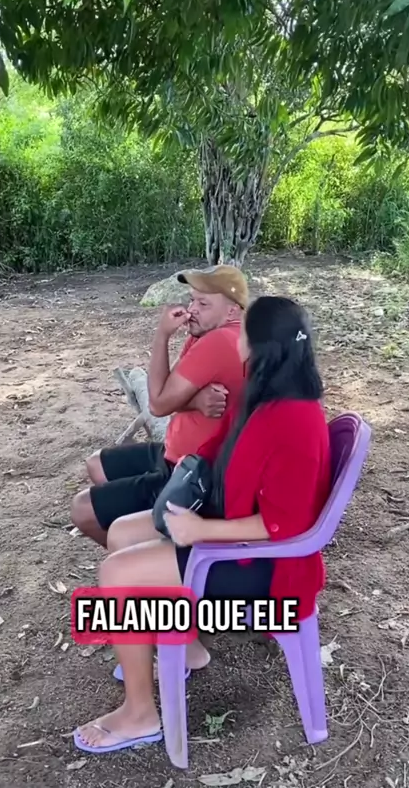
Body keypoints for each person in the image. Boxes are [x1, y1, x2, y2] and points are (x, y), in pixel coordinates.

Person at [73, 295, 332, 755]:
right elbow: (224, 451)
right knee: (121, 534)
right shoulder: (265, 390)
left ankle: (139, 714)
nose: (237, 335)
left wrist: (199, 530)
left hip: (267, 569)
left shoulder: (295, 417)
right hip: (229, 523)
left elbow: (286, 524)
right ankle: (184, 644)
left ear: (261, 345)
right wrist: (183, 488)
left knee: (116, 573)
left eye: (245, 330)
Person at [71, 265, 249, 547]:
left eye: (203, 304)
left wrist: (162, 334)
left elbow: (157, 404)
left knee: (83, 509)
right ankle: (140, 546)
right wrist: (196, 401)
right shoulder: (207, 335)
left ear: (232, 311)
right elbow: (169, 391)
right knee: (96, 465)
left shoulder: (220, 340)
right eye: (192, 300)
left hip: (192, 472)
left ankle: (136, 557)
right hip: (175, 453)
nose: (192, 309)